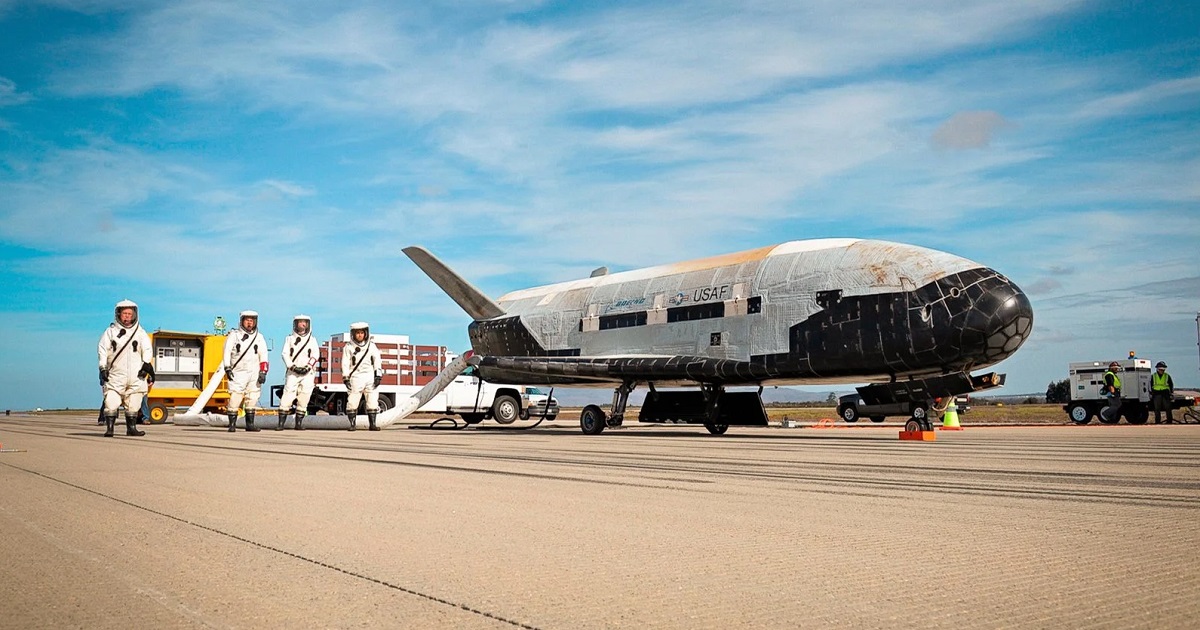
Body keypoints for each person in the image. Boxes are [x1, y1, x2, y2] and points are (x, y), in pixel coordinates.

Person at [97, 299, 154, 437]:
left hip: (136, 374)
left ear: (134, 315)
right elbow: (103, 350)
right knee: (111, 399)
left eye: (130, 313)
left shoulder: (140, 332)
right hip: (116, 373)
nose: (127, 316)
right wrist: (103, 367)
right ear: (118, 314)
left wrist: (146, 364)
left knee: (134, 401)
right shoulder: (110, 332)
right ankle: (110, 428)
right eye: (124, 313)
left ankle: (131, 428)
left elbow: (147, 348)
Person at [223, 310, 269, 432]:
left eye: (252, 320)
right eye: (247, 320)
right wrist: (227, 367)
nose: (250, 323)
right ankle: (232, 425)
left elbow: (263, 354)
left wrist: (263, 371)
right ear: (242, 321)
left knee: (253, 397)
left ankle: (250, 425)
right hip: (238, 371)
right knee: (235, 397)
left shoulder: (259, 337)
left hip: (254, 371)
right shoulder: (234, 335)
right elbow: (226, 352)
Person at [277, 314, 317, 430]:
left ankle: (298, 424)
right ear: (295, 324)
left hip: (307, 373)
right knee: (287, 395)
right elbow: (285, 354)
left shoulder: (312, 340)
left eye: (304, 322)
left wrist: (308, 367)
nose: (302, 325)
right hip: (293, 372)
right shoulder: (289, 339)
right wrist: (292, 367)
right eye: (300, 322)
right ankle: (281, 424)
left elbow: (315, 355)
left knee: (304, 396)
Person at [341, 322, 382, 431]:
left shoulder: (371, 346)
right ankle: (352, 424)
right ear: (353, 334)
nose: (360, 335)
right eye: (357, 333)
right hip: (356, 376)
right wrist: (345, 377)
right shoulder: (348, 347)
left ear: (366, 333)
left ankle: (372, 424)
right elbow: (345, 362)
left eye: (362, 333)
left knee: (372, 400)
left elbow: (377, 360)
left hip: (369, 376)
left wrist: (378, 375)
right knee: (353, 401)